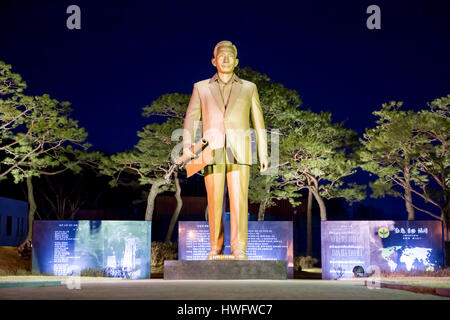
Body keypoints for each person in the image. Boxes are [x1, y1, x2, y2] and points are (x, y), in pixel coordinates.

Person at [182, 40, 268, 260]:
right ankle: (215, 247)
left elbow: (258, 122)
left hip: (240, 151)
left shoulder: (249, 88)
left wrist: (264, 153)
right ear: (214, 61)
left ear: (237, 61)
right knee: (215, 201)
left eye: (230, 55)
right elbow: (191, 118)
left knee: (239, 201)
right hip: (212, 150)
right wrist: (187, 147)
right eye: (222, 55)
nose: (226, 59)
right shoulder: (200, 87)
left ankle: (239, 248)